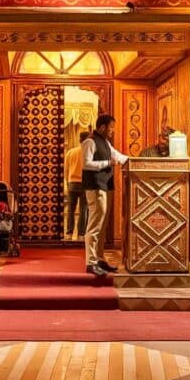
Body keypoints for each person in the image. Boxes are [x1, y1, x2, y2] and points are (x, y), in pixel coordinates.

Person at [81, 114, 128, 277]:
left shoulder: (105, 143)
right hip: (95, 187)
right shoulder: (90, 141)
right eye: (111, 127)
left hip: (106, 187)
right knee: (94, 225)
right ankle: (91, 262)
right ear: (102, 127)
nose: (113, 131)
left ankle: (99, 259)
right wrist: (107, 163)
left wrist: (133, 161)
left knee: (102, 226)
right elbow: (86, 163)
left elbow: (118, 156)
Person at [63, 131, 89, 241]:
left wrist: (68, 182)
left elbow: (66, 169)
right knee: (83, 210)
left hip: (72, 182)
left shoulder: (70, 152)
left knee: (70, 210)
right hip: (85, 184)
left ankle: (69, 233)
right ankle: (81, 234)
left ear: (79, 140)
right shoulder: (89, 153)